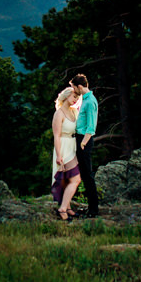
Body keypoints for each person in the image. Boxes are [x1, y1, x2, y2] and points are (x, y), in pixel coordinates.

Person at [50, 86, 81, 220]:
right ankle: (63, 208)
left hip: (72, 146)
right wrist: (59, 155)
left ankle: (67, 207)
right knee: (75, 178)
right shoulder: (59, 113)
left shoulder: (74, 112)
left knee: (69, 178)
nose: (75, 100)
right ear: (67, 95)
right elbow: (56, 136)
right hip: (62, 147)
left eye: (77, 98)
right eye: (74, 96)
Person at [70, 74, 99, 217]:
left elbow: (91, 127)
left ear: (79, 86)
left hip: (84, 141)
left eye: (74, 87)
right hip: (80, 140)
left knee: (88, 176)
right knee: (84, 175)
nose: (73, 90)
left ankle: (94, 209)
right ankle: (90, 207)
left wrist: (83, 143)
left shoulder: (90, 102)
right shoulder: (85, 100)